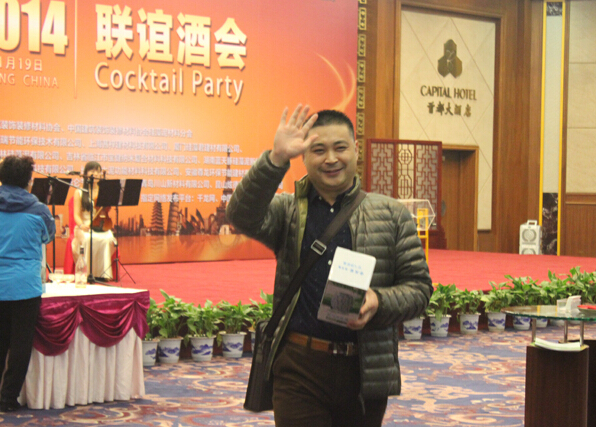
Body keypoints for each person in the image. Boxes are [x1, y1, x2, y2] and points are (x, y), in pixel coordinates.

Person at [226, 104, 433, 426]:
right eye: (318, 150)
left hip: (364, 369)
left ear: (356, 150)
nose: (331, 159)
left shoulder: (392, 215)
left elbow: (419, 289)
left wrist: (378, 301)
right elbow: (241, 216)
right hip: (299, 365)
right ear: (304, 157)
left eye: (340, 148)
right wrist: (275, 159)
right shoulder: (287, 211)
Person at [0, 156, 56, 413]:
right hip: (25, 286)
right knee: (21, 344)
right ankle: (8, 399)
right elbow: (48, 237)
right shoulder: (39, 210)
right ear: (29, 181)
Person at [72, 161, 116, 280]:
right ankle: (86, 273)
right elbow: (76, 215)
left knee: (108, 238)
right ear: (86, 174)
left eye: (98, 171)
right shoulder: (79, 192)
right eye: (92, 171)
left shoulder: (104, 192)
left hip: (100, 226)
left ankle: (104, 273)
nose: (95, 173)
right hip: (85, 226)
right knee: (87, 239)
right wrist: (81, 225)